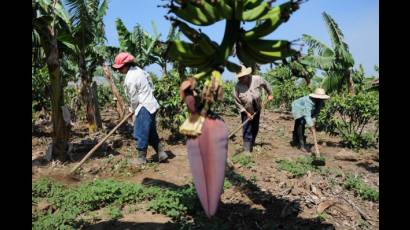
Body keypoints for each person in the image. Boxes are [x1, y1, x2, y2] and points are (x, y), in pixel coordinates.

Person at [112, 52, 168, 165]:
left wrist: (132, 109)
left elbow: (134, 98)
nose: (119, 71)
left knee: (140, 132)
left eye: (120, 68)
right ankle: (161, 154)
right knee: (151, 132)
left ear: (126, 65)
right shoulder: (140, 71)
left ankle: (141, 159)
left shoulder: (130, 78)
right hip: (151, 104)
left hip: (143, 107)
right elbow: (151, 86)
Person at [233, 65, 273, 155]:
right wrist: (246, 113)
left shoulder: (257, 79)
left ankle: (252, 142)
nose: (240, 79)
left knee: (255, 127)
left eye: (241, 77)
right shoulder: (237, 87)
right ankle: (247, 149)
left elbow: (266, 84)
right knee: (247, 127)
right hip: (245, 109)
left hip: (257, 107)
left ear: (246, 75)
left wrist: (270, 94)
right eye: (239, 78)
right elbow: (237, 102)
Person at [290, 88, 330, 156]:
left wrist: (314, 119)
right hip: (297, 107)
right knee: (300, 123)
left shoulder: (320, 102)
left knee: (302, 123)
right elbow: (307, 115)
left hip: (306, 110)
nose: (321, 99)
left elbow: (316, 112)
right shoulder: (308, 101)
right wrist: (311, 126)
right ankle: (301, 144)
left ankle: (296, 140)